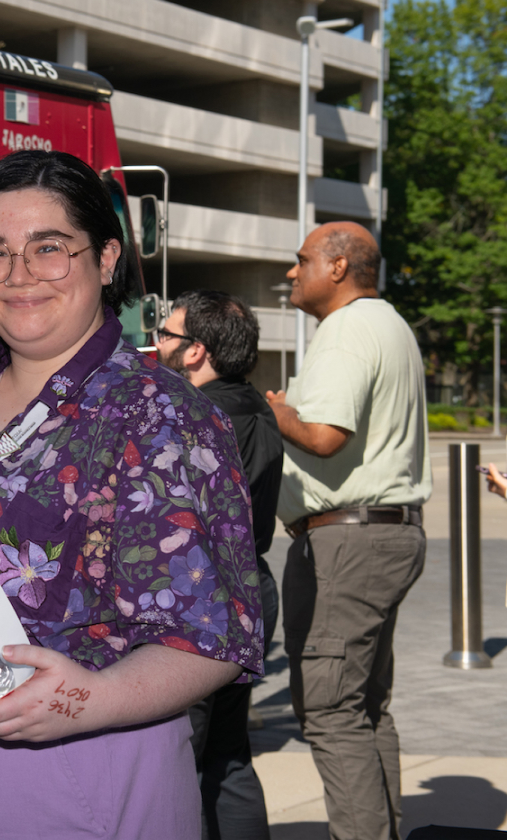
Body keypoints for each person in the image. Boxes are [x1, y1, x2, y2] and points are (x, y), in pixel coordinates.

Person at [0, 150, 264, 840]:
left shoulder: (161, 416)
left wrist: (90, 698)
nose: (20, 275)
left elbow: (216, 635)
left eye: (50, 248)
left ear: (108, 258)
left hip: (85, 765)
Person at [265, 221, 430, 840]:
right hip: (384, 535)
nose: (291, 272)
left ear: (337, 268)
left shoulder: (346, 329)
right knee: (363, 708)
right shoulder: (390, 325)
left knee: (332, 711)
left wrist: (279, 413)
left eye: (301, 259)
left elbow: (327, 435)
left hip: (347, 541)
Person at [156, 289, 283, 840]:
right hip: (252, 586)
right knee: (228, 755)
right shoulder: (257, 408)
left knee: (176, 756)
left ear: (195, 351)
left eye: (165, 333)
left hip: (203, 597)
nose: (154, 342)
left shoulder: (197, 418)